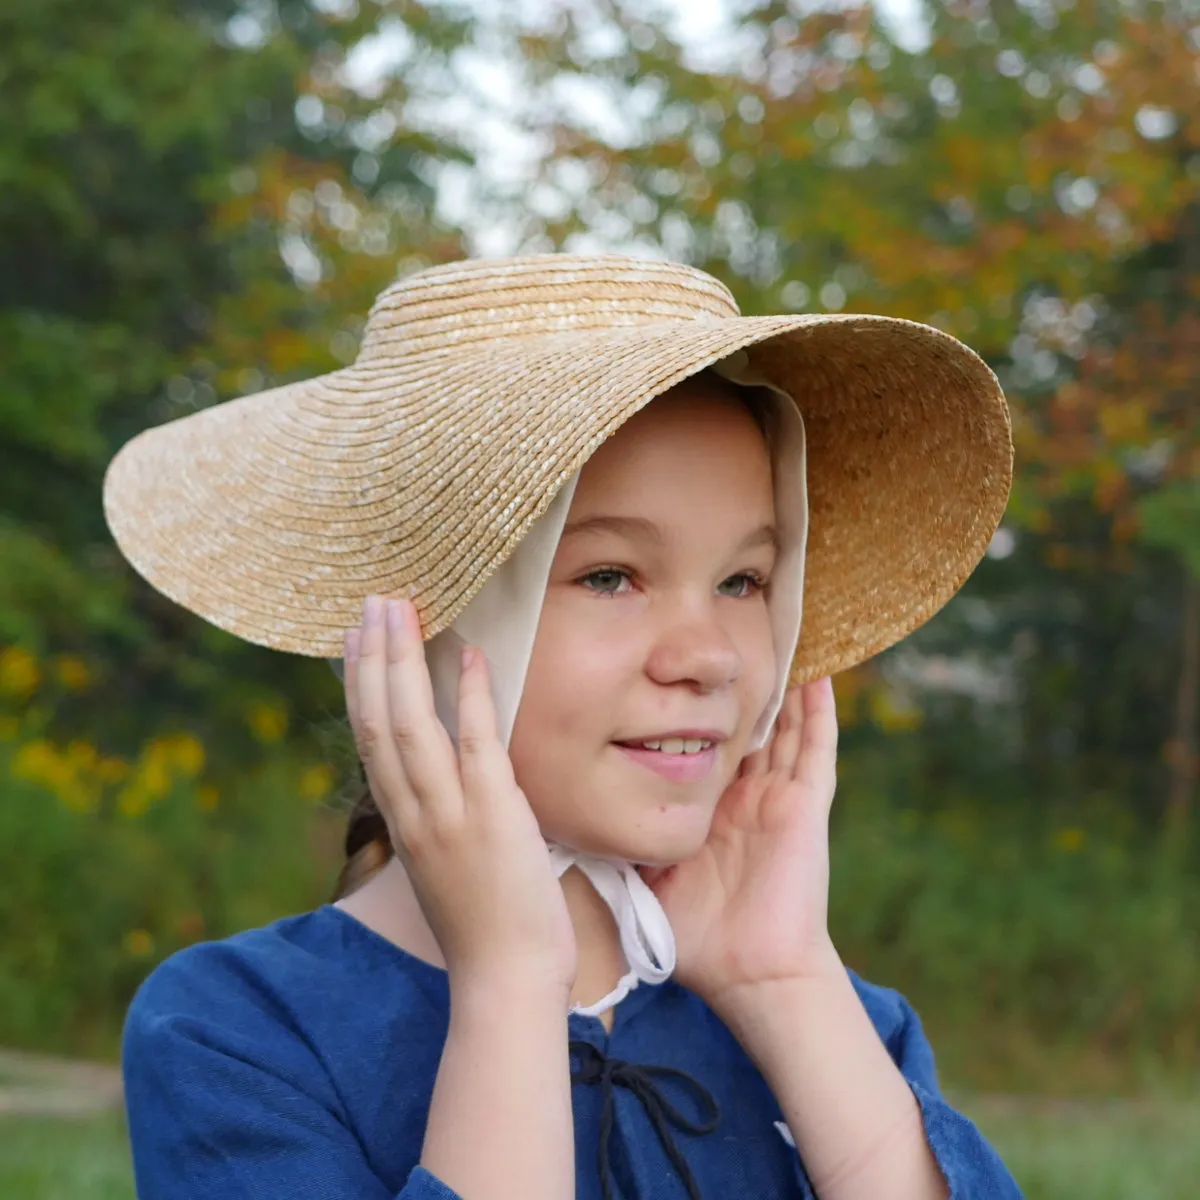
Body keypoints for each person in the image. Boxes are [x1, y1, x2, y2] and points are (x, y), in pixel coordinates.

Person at [106, 253, 1022, 1198]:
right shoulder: (238, 1031)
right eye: (611, 576)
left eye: (743, 581)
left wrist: (781, 983)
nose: (710, 656)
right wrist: (507, 987)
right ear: (429, 623)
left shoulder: (842, 1031)